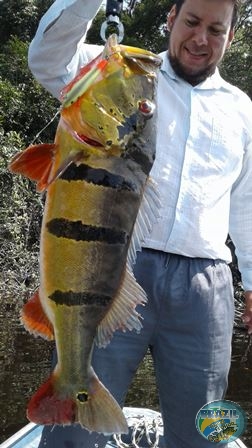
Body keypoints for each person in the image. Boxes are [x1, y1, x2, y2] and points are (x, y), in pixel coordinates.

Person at [28, 0, 252, 447]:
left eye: (215, 29)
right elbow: (47, 58)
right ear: (170, 20)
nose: (200, 39)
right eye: (191, 22)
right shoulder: (119, 72)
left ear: (231, 35)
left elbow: (245, 204)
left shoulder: (243, 110)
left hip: (205, 288)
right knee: (74, 431)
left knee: (207, 429)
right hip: (112, 270)